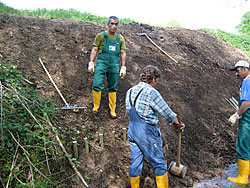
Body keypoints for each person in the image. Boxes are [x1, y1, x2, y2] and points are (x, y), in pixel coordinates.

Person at [125, 65, 185, 188]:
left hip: (132, 130)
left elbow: (128, 111)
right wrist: (178, 123)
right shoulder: (151, 92)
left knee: (135, 162)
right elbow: (167, 112)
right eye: (156, 81)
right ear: (153, 79)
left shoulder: (130, 91)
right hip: (146, 132)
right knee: (159, 163)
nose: (155, 83)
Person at [88, 16, 126, 119]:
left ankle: (112, 110)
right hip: (102, 64)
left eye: (116, 24)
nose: (114, 26)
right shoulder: (101, 36)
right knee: (97, 83)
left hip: (114, 65)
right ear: (108, 24)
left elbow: (122, 53)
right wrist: (91, 62)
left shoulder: (120, 38)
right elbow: (95, 49)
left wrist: (123, 67)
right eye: (112, 24)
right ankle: (96, 106)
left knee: (113, 86)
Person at [228, 60, 250, 184]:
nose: (236, 74)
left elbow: (247, 102)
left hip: (247, 117)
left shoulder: (247, 82)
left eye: (238, 70)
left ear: (244, 69)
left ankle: (242, 177)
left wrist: (237, 115)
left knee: (243, 144)